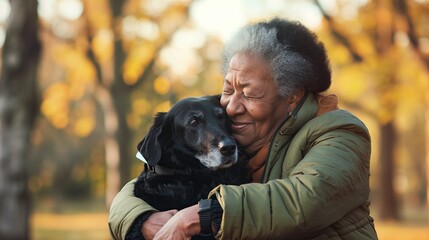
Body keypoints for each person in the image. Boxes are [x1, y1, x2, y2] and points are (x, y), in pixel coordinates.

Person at [108, 17, 378, 240]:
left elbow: (304, 200)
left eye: (249, 94)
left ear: (292, 96)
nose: (232, 107)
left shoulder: (340, 133)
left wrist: (199, 216)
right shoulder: (238, 135)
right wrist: (143, 219)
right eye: (227, 90)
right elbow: (145, 183)